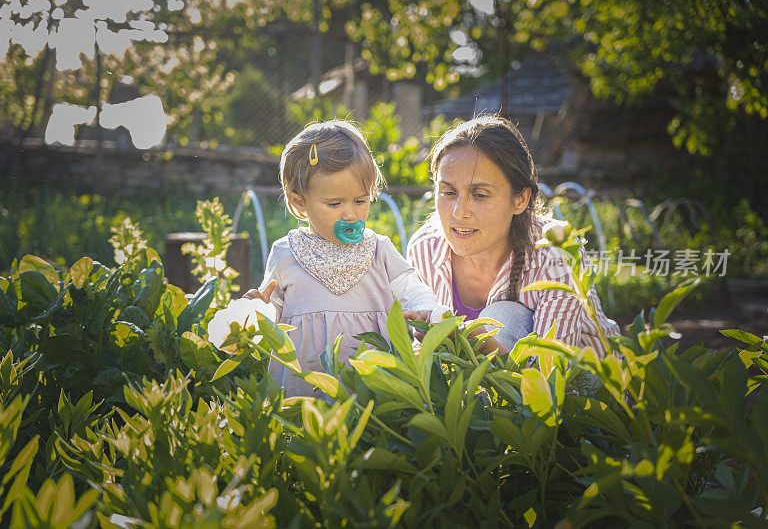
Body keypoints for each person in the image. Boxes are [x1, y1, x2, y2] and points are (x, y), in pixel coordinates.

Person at [244, 120, 448, 397]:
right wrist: (257, 312)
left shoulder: (379, 249)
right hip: (305, 382)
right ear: (299, 203)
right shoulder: (286, 252)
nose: (350, 214)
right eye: (334, 204)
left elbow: (413, 291)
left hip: (373, 380)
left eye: (360, 201)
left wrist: (432, 312)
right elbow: (274, 311)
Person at [406, 115, 620, 357]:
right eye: (448, 192)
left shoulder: (555, 252)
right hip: (474, 389)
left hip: (586, 384)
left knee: (502, 317)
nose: (459, 212)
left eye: (480, 195)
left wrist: (478, 347)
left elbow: (552, 374)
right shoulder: (425, 248)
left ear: (521, 199)